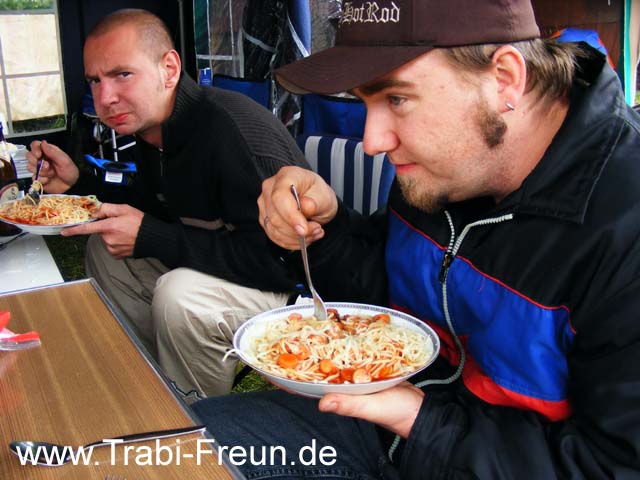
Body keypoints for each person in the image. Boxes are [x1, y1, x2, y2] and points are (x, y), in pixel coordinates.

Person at [192, 0, 640, 477]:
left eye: (397, 99)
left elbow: (612, 467)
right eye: (365, 101)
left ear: (506, 78)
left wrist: (421, 422)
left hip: (452, 446)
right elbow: (396, 290)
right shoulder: (452, 163)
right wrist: (325, 232)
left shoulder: (623, 224)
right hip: (379, 430)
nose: (372, 140)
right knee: (161, 445)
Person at [26, 9, 309, 400]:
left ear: (170, 69)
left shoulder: (230, 133)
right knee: (107, 251)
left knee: (181, 295)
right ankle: (155, 384)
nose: (105, 98)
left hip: (288, 285)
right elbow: (155, 205)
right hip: (225, 263)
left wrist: (154, 238)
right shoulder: (153, 128)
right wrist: (79, 182)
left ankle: (199, 420)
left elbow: (280, 262)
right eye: (95, 80)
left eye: (122, 74)